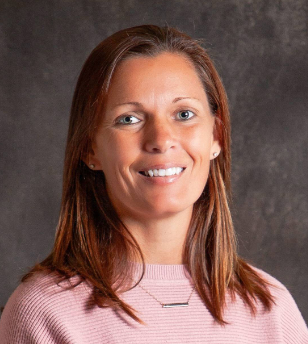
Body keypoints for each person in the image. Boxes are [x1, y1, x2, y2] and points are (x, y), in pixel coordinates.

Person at [0, 24, 307, 343]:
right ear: (91, 149)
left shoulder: (271, 309)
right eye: (129, 119)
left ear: (215, 135)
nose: (161, 140)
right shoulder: (44, 313)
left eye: (184, 114)